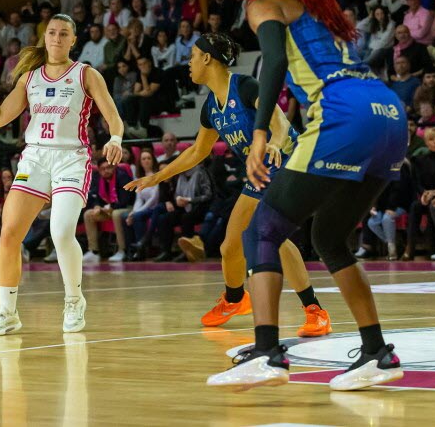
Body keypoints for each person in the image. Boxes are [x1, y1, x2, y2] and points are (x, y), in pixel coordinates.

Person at [206, 0, 406, 392]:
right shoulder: (319, 7)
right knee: (329, 237)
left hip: (344, 113)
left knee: (261, 230)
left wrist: (258, 136)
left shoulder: (265, 3)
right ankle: (376, 351)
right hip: (389, 112)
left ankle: (267, 351)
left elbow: (273, 62)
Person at [127, 32, 332, 334]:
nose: (189, 64)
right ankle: (235, 299)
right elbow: (198, 151)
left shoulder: (246, 86)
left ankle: (315, 310)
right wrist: (157, 176)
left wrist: (274, 143)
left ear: (207, 58)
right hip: (260, 173)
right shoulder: (211, 106)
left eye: (192, 57)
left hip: (289, 162)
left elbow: (280, 122)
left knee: (271, 235)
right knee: (229, 247)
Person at [0, 13, 124, 336]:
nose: (56, 38)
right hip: (35, 158)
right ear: (45, 37)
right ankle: (7, 313)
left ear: (73, 40)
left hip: (71, 159)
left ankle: (74, 299)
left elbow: (113, 117)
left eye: (64, 33)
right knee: (9, 233)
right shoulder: (30, 78)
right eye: (51, 32)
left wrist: (116, 139)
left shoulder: (86, 75)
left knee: (61, 232)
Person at [354, 159, 413, 260]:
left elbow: (400, 188)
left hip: (400, 204)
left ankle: (392, 251)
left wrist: (391, 207)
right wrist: (374, 205)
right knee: (372, 223)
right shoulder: (380, 166)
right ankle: (393, 244)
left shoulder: (401, 165)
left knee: (387, 219)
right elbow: (376, 189)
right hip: (383, 206)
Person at [82, 159, 134, 262]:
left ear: (114, 167)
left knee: (115, 214)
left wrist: (107, 208)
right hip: (109, 209)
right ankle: (94, 251)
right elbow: (97, 197)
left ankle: (121, 250)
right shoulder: (99, 179)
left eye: (108, 168)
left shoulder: (122, 176)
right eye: (103, 169)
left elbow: (124, 200)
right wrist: (97, 206)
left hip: (127, 208)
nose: (106, 171)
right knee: (89, 214)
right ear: (100, 170)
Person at [405, 127, 435, 259]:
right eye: (431, 139)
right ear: (426, 142)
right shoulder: (420, 160)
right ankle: (410, 247)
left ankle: (432, 248)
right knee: (415, 206)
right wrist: (424, 194)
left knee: (433, 206)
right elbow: (418, 182)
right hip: (426, 196)